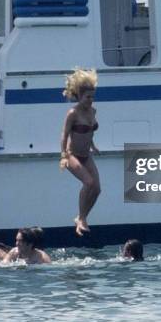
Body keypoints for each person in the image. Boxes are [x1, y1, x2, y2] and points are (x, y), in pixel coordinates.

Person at [60, 69, 101, 236]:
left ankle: (82, 217)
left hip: (86, 155)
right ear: (79, 96)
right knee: (89, 183)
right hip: (72, 155)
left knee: (97, 189)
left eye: (92, 97)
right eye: (87, 97)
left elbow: (89, 130)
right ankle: (81, 218)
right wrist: (63, 154)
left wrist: (93, 145)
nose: (91, 100)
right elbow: (64, 134)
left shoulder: (93, 111)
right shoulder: (73, 113)